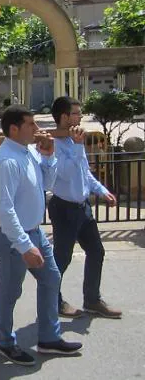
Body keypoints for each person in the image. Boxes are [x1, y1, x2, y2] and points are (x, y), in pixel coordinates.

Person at [0, 105, 82, 366]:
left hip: (34, 232)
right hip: (13, 238)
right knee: (10, 291)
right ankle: (6, 343)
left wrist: (49, 156)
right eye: (31, 124)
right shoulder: (7, 161)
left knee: (51, 277)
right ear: (14, 129)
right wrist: (24, 246)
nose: (37, 128)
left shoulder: (27, 151)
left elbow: (47, 184)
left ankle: (49, 338)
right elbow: (5, 211)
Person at [49, 97, 121, 319]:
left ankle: (92, 300)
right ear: (64, 117)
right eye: (76, 113)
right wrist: (80, 147)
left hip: (82, 207)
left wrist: (101, 190)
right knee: (62, 258)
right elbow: (67, 173)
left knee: (96, 251)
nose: (80, 117)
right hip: (64, 208)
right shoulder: (53, 144)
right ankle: (54, 301)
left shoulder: (73, 141)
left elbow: (84, 173)